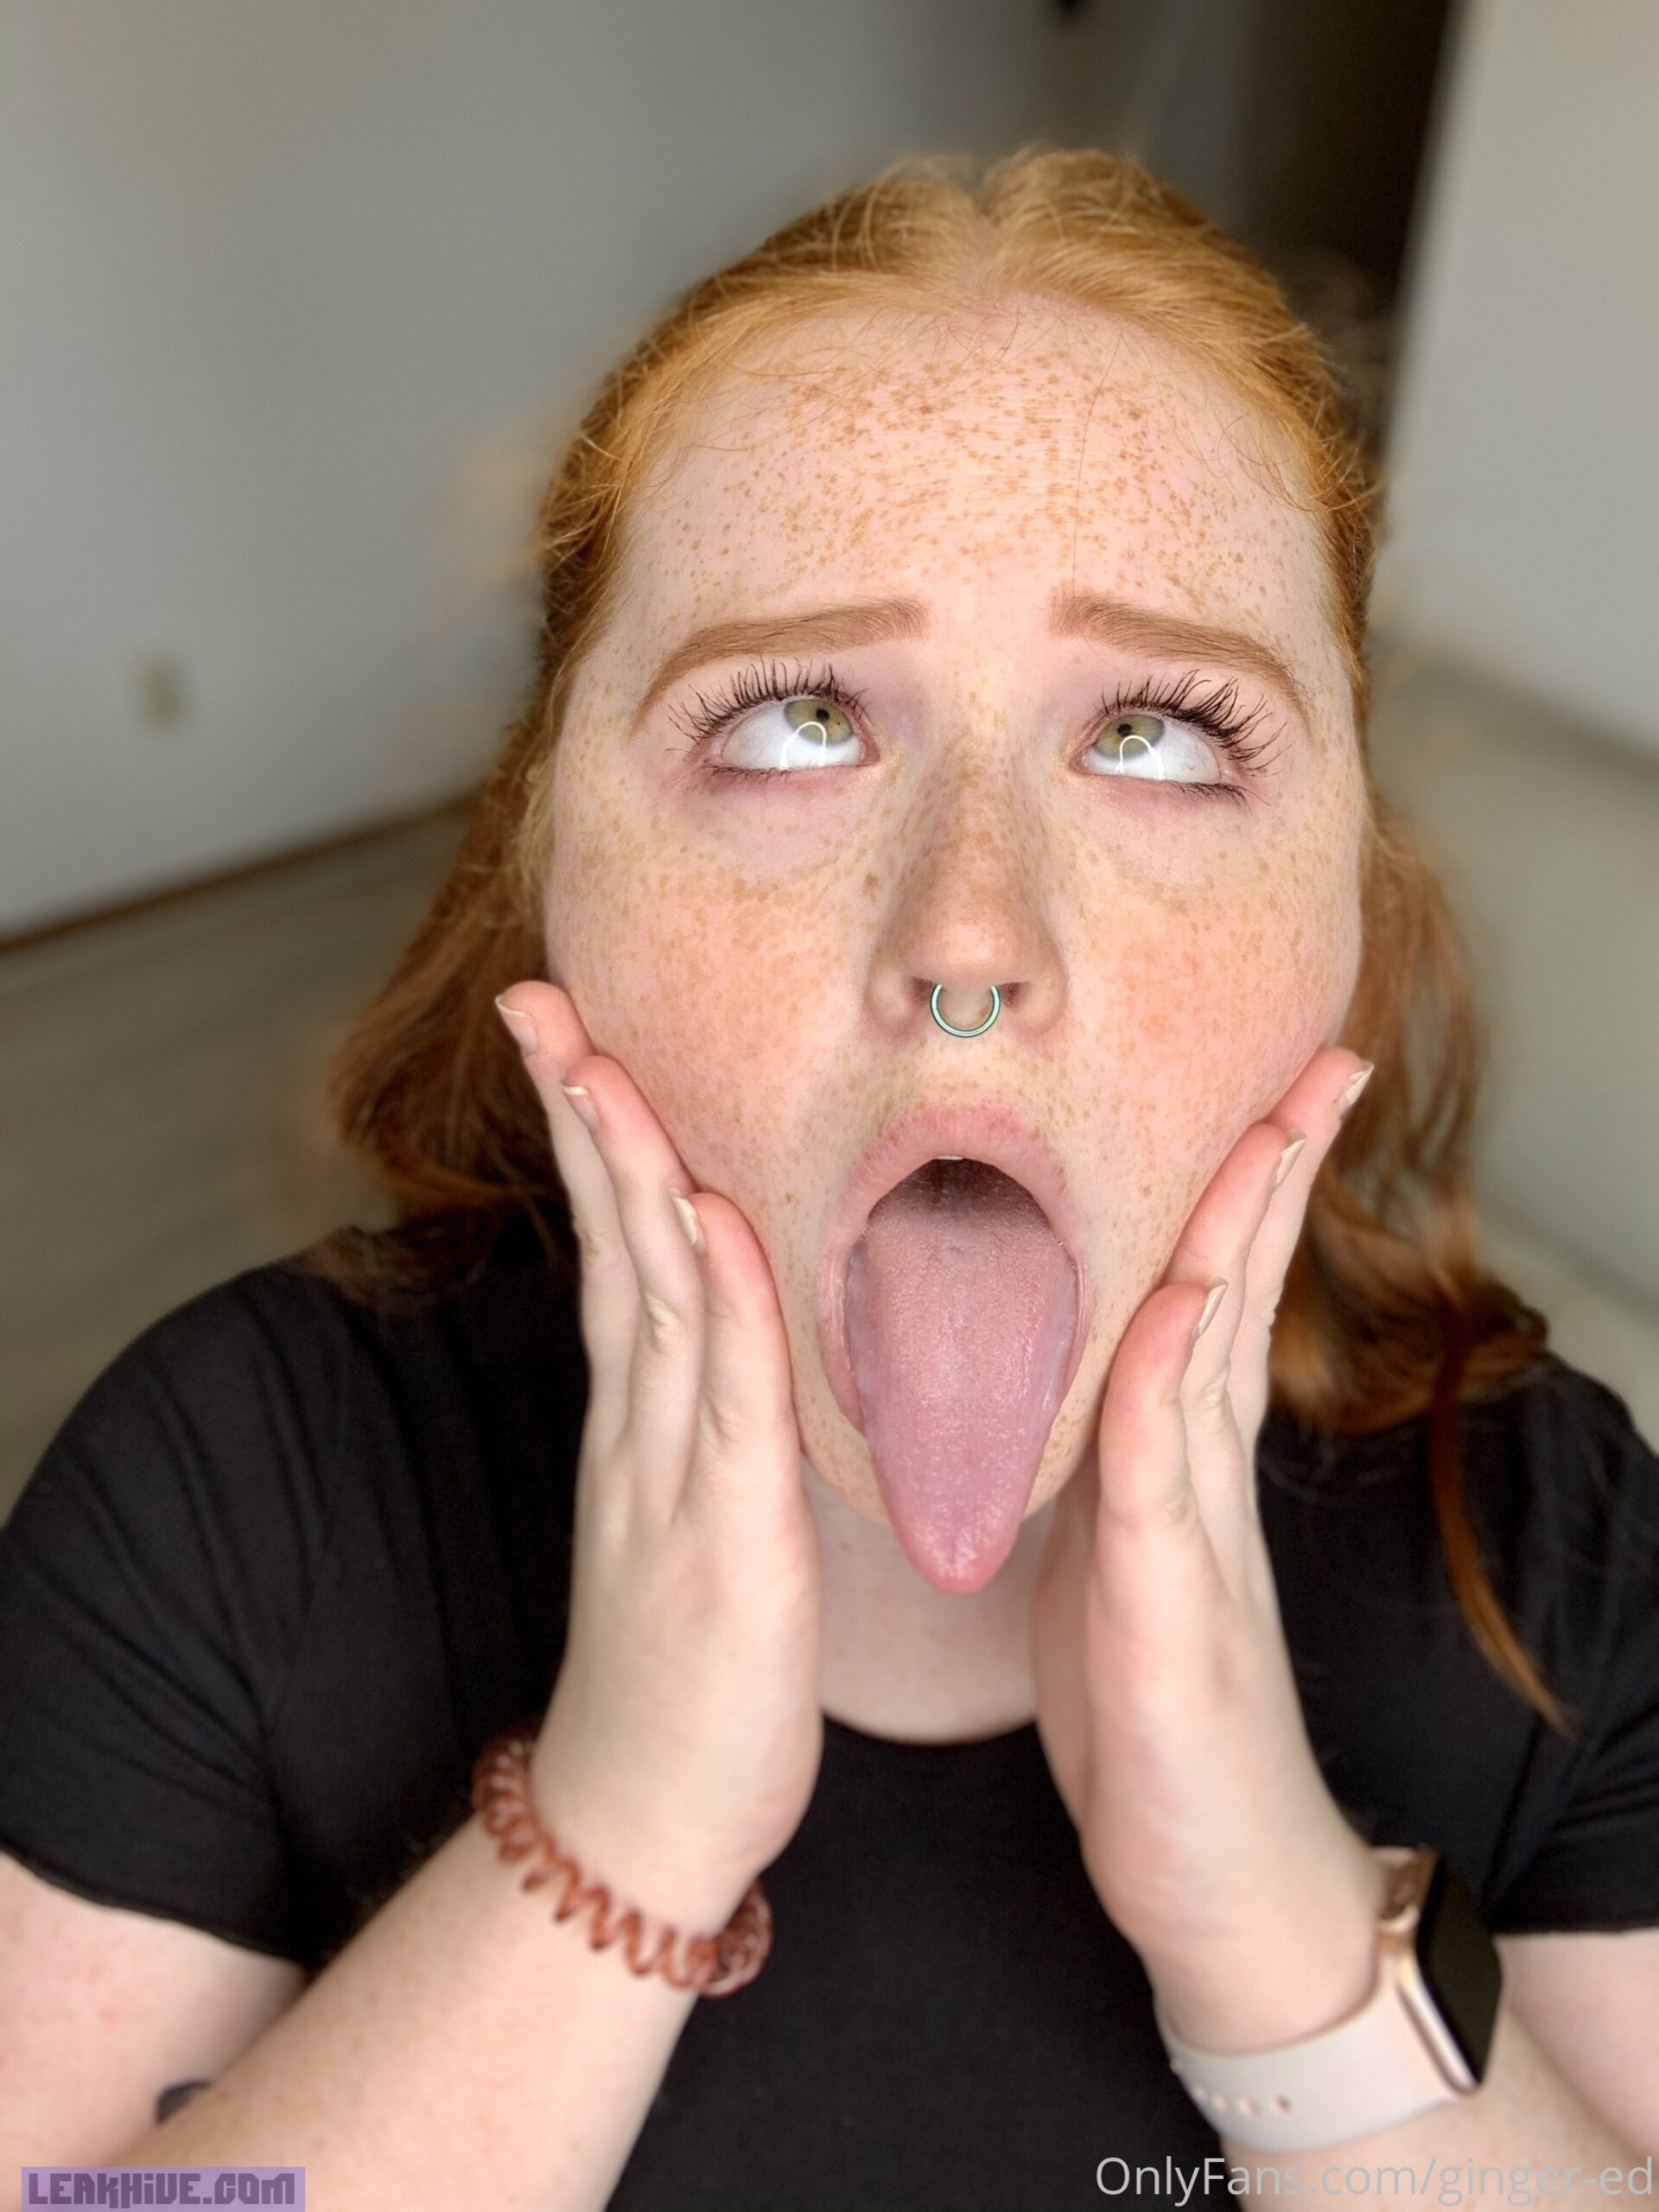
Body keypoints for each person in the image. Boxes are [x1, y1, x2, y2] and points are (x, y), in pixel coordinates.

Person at [1, 148, 1656, 2211]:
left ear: (1351, 896)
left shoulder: (1557, 1554)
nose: (970, 934)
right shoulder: (224, 1490)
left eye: (1158, 731)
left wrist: (1276, 1919)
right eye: (794, 719)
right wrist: (609, 1841)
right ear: (549, 861)